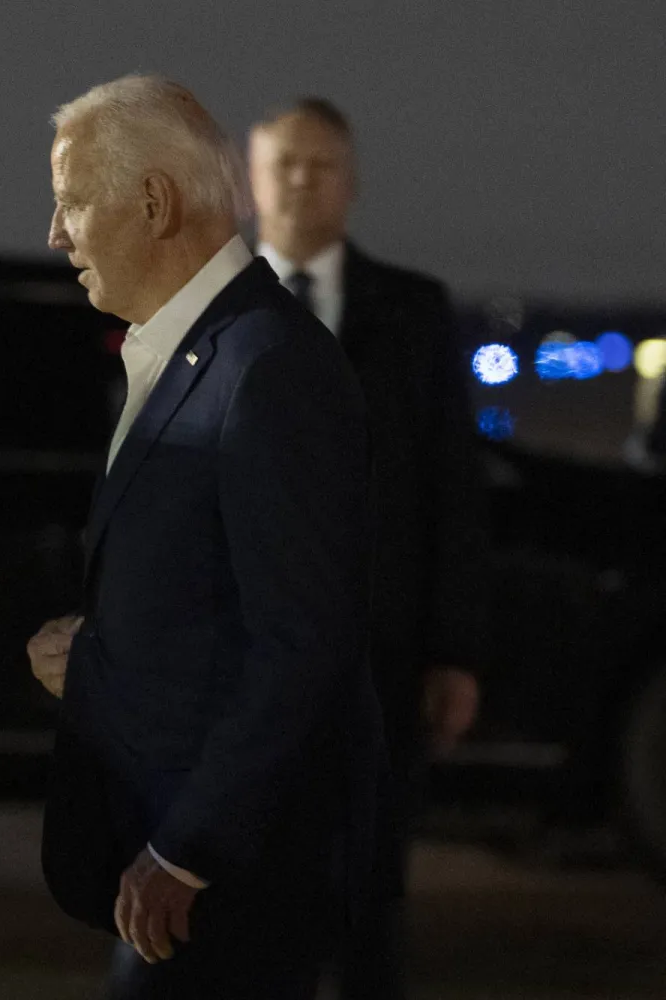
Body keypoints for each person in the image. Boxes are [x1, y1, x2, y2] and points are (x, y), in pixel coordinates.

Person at [27, 75, 383, 1000]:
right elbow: (210, 609)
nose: (55, 235)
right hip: (173, 863)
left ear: (153, 201)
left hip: (224, 887)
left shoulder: (265, 367)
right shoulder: (200, 352)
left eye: (70, 203)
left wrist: (186, 853)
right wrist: (96, 655)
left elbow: (301, 638)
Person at [248, 96, 488, 999]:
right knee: (244, 900)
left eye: (321, 165)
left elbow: (451, 493)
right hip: (244, 667)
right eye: (286, 164)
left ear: (353, 183)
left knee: (366, 902)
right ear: (250, 179)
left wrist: (454, 651)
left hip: (377, 665)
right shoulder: (200, 308)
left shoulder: (412, 312)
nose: (303, 181)